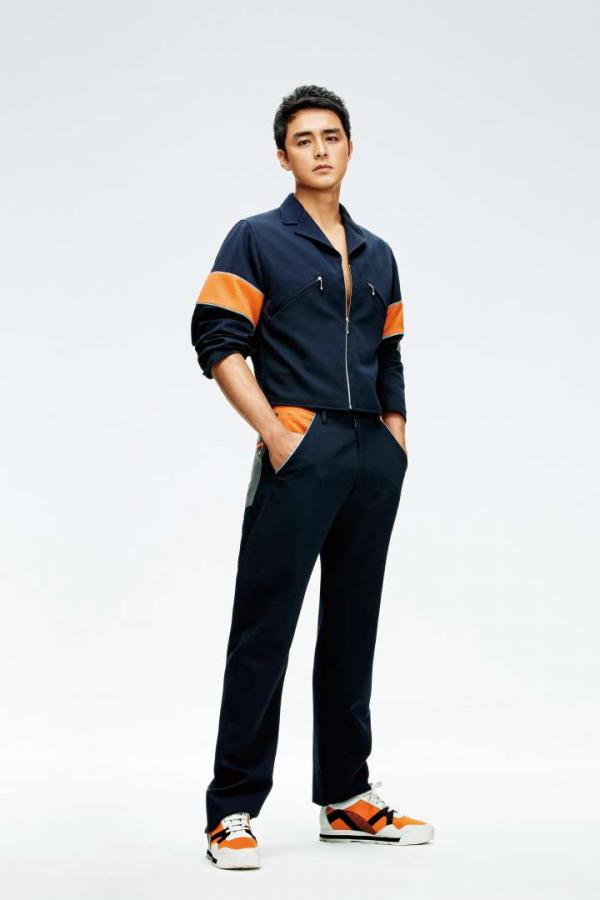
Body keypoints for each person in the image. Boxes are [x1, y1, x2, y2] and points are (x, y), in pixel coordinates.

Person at [191, 84, 434, 870]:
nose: (321, 150)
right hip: (300, 449)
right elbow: (217, 338)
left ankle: (346, 795)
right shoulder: (257, 239)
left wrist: (395, 437)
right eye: (304, 139)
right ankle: (231, 810)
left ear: (350, 148)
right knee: (264, 629)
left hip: (370, 458)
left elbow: (389, 352)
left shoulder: (378, 253)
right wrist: (274, 433)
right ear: (282, 156)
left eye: (332, 136)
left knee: (353, 626)